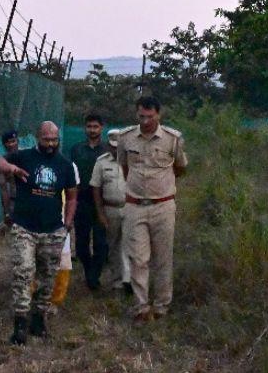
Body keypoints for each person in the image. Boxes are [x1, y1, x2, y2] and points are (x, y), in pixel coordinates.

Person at [0, 121, 78, 344]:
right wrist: (12, 169)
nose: (50, 144)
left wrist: (67, 224)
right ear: (38, 137)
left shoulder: (65, 165)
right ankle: (20, 324)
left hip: (52, 230)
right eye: (46, 139)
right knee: (24, 272)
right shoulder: (23, 156)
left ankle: (39, 319)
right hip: (24, 227)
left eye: (54, 139)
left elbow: (72, 196)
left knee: (47, 277)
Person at [116, 96, 188, 322]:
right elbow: (125, 167)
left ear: (159, 114)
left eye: (150, 116)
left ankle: (162, 306)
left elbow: (180, 168)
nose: (145, 121)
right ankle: (141, 307)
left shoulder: (172, 139)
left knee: (163, 258)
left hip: (163, 206)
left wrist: (161, 187)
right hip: (135, 206)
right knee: (138, 258)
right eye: (141, 116)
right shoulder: (126, 138)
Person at [67, 113, 109, 290]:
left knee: (101, 244)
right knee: (82, 246)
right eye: (89, 126)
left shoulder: (108, 150)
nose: (92, 130)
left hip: (102, 203)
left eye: (95, 127)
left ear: (102, 128)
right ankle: (89, 271)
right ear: (85, 128)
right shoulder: (76, 149)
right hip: (81, 202)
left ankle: (94, 277)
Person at [90, 129, 130, 292]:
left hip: (129, 207)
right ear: (109, 145)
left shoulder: (132, 161)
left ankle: (130, 280)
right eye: (113, 146)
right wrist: (100, 213)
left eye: (118, 146)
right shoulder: (101, 162)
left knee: (130, 244)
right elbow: (96, 189)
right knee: (113, 246)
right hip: (110, 209)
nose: (116, 149)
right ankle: (118, 281)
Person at [0, 129, 20, 223]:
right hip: (15, 201)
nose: (11, 145)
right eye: (8, 142)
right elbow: (3, 188)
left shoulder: (28, 156)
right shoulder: (2, 163)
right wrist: (6, 212)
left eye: (13, 141)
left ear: (17, 141)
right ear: (4, 145)